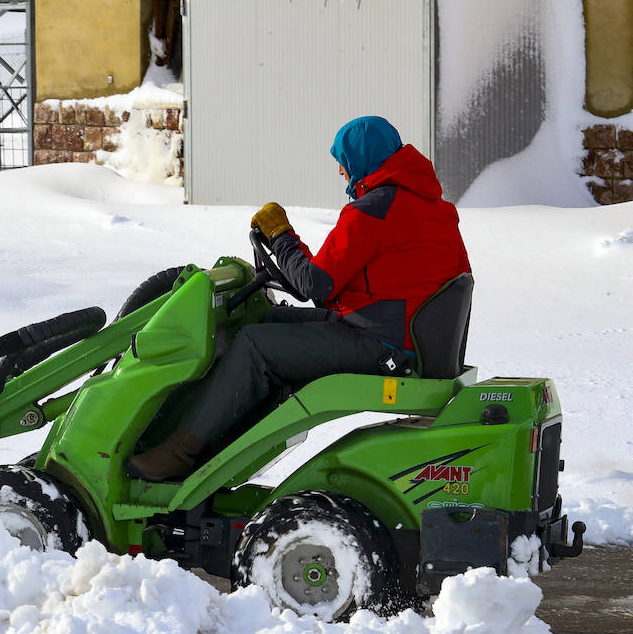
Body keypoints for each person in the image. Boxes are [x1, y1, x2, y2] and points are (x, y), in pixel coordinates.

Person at [125, 115, 472, 482]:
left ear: (363, 158)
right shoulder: (432, 208)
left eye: (343, 161)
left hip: (382, 346)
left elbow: (314, 284)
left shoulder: (374, 210)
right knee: (270, 322)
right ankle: (222, 439)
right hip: (399, 338)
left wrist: (281, 234)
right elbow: (338, 280)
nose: (341, 172)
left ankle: (179, 452)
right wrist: (290, 248)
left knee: (254, 344)